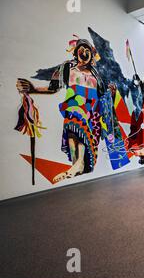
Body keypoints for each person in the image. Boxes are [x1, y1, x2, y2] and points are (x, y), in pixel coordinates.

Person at [16, 38, 112, 182]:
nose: (85, 53)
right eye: (81, 50)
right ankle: (76, 164)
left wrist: (112, 93)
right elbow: (53, 88)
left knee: (80, 130)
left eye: (88, 51)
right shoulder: (68, 69)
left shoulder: (96, 75)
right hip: (74, 108)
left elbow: (103, 96)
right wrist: (34, 89)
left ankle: (79, 164)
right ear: (76, 53)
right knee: (73, 128)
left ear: (92, 54)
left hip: (92, 113)